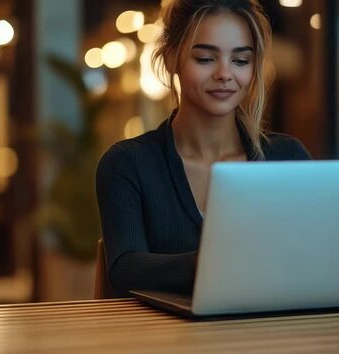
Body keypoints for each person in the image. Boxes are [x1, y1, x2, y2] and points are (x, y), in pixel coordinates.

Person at [96, 0, 311, 297]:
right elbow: (125, 268)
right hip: (166, 338)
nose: (225, 74)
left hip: (271, 333)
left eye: (240, 61)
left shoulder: (287, 157)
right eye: (206, 59)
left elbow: (312, 257)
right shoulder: (127, 163)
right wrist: (221, 263)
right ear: (171, 59)